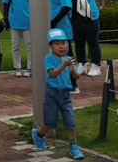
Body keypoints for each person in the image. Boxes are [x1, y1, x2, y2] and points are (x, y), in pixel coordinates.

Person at [31, 28, 85, 159]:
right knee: (50, 122)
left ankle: (74, 146)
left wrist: (73, 71)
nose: (61, 46)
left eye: (63, 43)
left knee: (70, 122)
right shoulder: (48, 58)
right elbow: (53, 73)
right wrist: (64, 65)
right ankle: (38, 134)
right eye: (57, 44)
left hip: (66, 95)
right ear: (50, 46)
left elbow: (77, 77)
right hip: (52, 94)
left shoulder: (69, 59)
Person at [48, 0, 79, 94]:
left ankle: (73, 83)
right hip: (55, 26)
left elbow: (66, 6)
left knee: (67, 54)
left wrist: (54, 21)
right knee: (57, 55)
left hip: (63, 27)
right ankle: (61, 81)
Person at [69, 0, 104, 77]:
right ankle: (81, 64)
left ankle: (96, 65)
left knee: (93, 41)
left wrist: (102, 5)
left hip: (92, 15)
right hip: (77, 17)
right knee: (79, 42)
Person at [3, 0, 32, 78]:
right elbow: (6, 5)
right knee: (15, 46)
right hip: (14, 21)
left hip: (27, 21)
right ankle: (17, 68)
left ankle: (30, 68)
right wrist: (6, 19)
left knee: (29, 46)